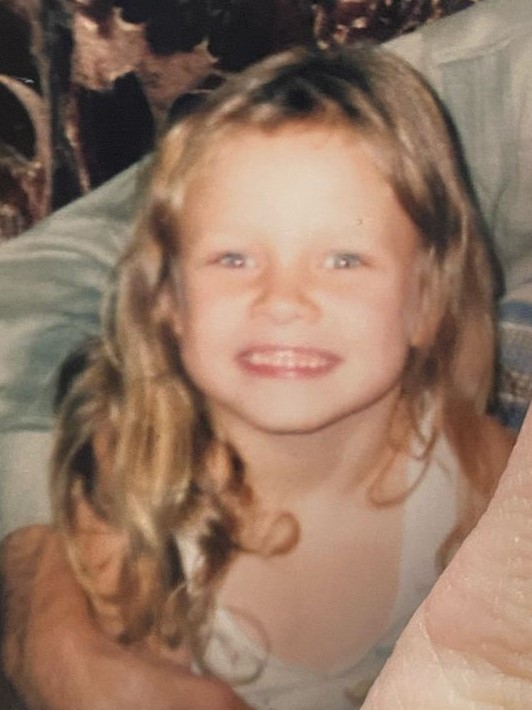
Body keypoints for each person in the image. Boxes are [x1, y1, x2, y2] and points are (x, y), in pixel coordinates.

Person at [0, 44, 515, 710]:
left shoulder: (482, 474)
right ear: (168, 299)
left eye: (344, 259)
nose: (283, 300)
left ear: (429, 300)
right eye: (235, 258)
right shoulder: (133, 495)